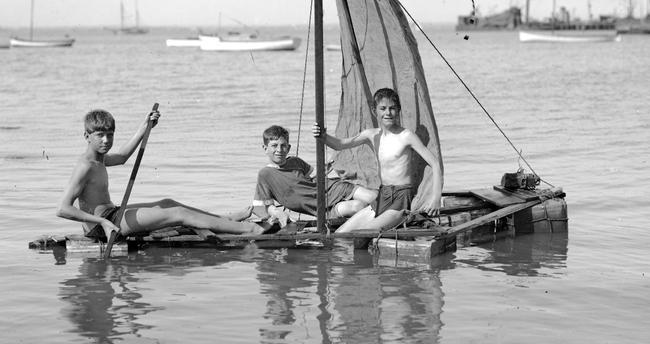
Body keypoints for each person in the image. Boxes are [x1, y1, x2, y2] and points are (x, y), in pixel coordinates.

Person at [57, 108, 265, 241]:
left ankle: (222, 218)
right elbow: (63, 209)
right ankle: (248, 229)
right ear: (87, 136)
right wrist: (102, 222)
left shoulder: (99, 159)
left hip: (111, 214)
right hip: (103, 226)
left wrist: (145, 127)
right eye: (100, 135)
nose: (106, 140)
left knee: (167, 202)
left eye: (110, 135)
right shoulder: (85, 166)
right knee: (178, 214)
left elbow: (121, 157)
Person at [312, 87, 444, 233]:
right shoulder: (371, 135)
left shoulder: (406, 136)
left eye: (392, 108)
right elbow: (340, 145)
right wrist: (323, 136)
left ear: (398, 110)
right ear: (375, 111)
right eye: (383, 108)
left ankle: (401, 219)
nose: (388, 113)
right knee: (340, 234)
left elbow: (435, 164)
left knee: (361, 234)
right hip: (382, 197)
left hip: (401, 199)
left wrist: (435, 199)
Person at [251, 125, 377, 225]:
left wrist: (324, 169)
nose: (279, 150)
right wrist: (279, 214)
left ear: (288, 148)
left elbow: (313, 177)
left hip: (334, 188)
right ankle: (381, 222)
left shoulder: (295, 161)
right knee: (358, 206)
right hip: (321, 209)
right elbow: (263, 206)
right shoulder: (265, 174)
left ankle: (392, 219)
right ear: (265, 148)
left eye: (283, 146)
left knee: (374, 198)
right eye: (274, 146)